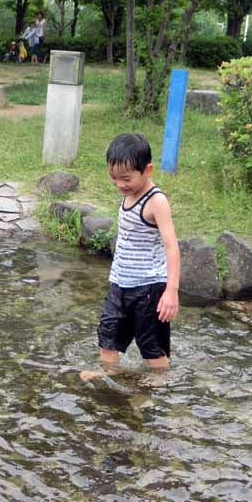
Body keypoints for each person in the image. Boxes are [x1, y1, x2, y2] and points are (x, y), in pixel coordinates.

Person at [81, 133, 180, 380]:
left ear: (147, 170)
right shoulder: (128, 192)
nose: (119, 184)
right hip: (120, 284)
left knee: (151, 347)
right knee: (108, 337)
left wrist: (171, 291)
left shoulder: (156, 201)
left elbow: (171, 246)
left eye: (126, 178)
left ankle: (158, 386)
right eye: (113, 178)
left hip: (148, 289)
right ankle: (108, 375)